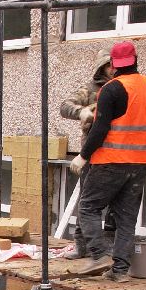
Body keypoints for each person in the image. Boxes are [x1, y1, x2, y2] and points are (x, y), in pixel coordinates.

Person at [74, 40, 146, 281]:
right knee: (126, 217)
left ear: (113, 64)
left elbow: (100, 128)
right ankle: (120, 271)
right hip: (141, 162)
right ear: (135, 61)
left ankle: (99, 255)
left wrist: (83, 156)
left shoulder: (111, 89)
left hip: (111, 161)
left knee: (88, 207)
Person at [61, 59, 118, 252]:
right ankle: (81, 244)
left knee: (115, 199)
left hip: (116, 151)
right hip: (92, 150)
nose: (113, 69)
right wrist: (81, 112)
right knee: (86, 198)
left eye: (116, 65)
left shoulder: (124, 87)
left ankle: (109, 243)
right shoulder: (90, 89)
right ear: (102, 67)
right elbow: (65, 106)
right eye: (109, 65)